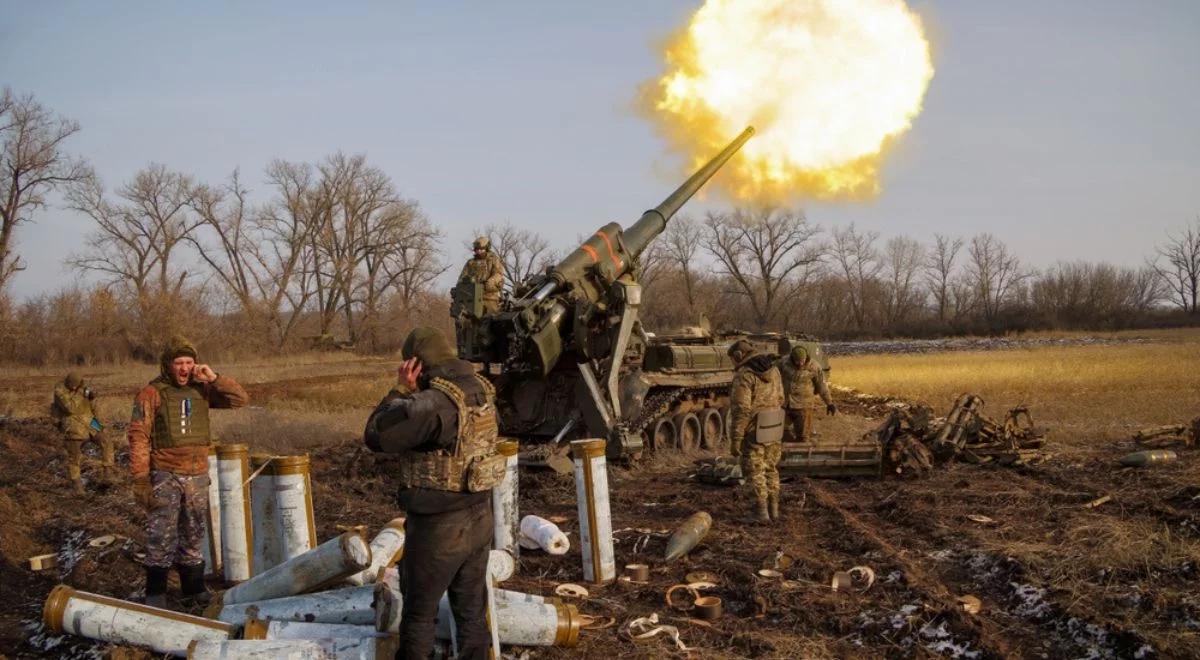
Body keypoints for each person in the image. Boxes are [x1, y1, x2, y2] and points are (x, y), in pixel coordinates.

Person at [363, 327, 505, 660]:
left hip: (438, 527)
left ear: (415, 364)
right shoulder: (482, 389)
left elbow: (375, 435)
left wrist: (399, 390)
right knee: (470, 611)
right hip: (480, 516)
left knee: (418, 615)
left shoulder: (430, 404)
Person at [127, 335, 247, 608]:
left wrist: (214, 377)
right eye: (178, 362)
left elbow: (239, 399)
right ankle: (156, 591)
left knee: (194, 532)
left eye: (188, 362)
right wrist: (140, 479)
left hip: (197, 474)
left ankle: (193, 588)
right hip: (165, 474)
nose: (183, 368)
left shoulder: (203, 389)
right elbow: (138, 436)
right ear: (167, 365)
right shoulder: (152, 393)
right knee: (161, 534)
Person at [726, 339, 785, 524]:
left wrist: (736, 438)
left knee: (754, 471)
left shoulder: (745, 375)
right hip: (774, 425)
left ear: (738, 356)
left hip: (754, 430)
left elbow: (741, 410)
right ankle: (774, 510)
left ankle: (760, 513)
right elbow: (782, 398)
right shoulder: (774, 370)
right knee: (771, 468)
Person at [50, 371, 115, 494]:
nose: (75, 387)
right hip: (72, 425)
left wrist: (91, 398)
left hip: (90, 422)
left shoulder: (83, 388)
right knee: (74, 458)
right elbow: (70, 408)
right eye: (73, 385)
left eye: (77, 385)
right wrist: (81, 394)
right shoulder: (59, 391)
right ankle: (77, 486)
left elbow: (91, 406)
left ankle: (108, 474)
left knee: (107, 441)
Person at [779, 346, 837, 443]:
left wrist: (829, 403)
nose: (800, 363)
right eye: (798, 361)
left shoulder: (814, 366)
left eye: (803, 360)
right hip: (785, 404)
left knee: (803, 436)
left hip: (804, 406)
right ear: (792, 358)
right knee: (781, 432)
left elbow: (821, 386)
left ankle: (801, 454)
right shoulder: (783, 363)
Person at [456, 237, 505, 316]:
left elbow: (498, 274)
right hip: (471, 298)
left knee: (491, 320)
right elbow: (462, 278)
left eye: (481, 249)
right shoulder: (471, 263)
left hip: (489, 297)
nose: (479, 251)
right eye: (477, 249)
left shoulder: (493, 260)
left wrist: (488, 283)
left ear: (486, 248)